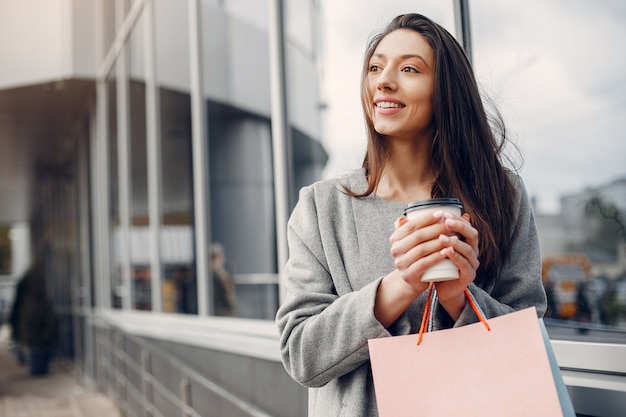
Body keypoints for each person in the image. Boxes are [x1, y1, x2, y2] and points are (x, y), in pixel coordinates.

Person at [275, 13, 547, 417]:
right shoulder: (321, 206)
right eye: (374, 67)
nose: (383, 80)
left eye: (408, 69)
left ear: (445, 91)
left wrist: (459, 296)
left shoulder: (501, 195)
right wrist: (399, 286)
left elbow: (529, 341)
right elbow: (301, 354)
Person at [211, 243, 237, 317]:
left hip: (227, 311)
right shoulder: (210, 277)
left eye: (218, 257)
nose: (217, 260)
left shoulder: (225, 274)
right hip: (218, 312)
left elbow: (230, 293)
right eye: (214, 257)